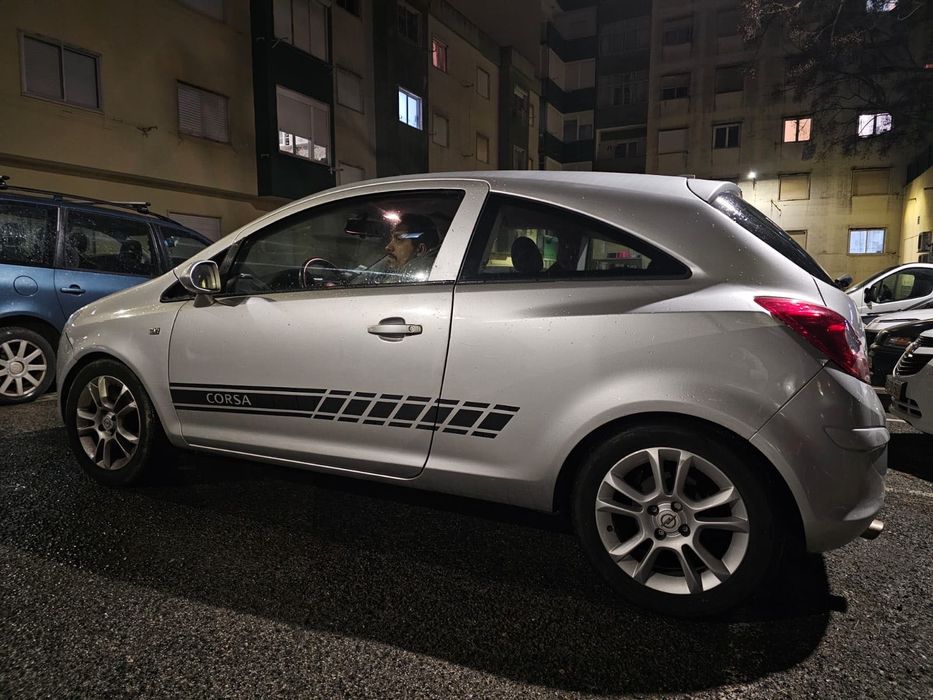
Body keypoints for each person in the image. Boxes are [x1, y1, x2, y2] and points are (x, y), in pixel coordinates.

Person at [383, 213, 440, 282]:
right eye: (391, 238)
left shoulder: (409, 281)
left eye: (399, 239)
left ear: (420, 249)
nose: (388, 247)